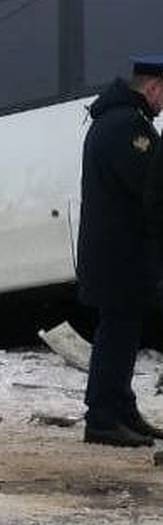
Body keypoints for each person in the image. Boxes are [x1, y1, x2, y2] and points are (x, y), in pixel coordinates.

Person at [75, 56, 163, 447]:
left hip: (116, 251)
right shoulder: (128, 126)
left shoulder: (115, 120)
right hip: (120, 253)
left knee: (122, 333)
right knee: (116, 334)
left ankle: (120, 409)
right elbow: (148, 185)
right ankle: (103, 419)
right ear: (153, 87)